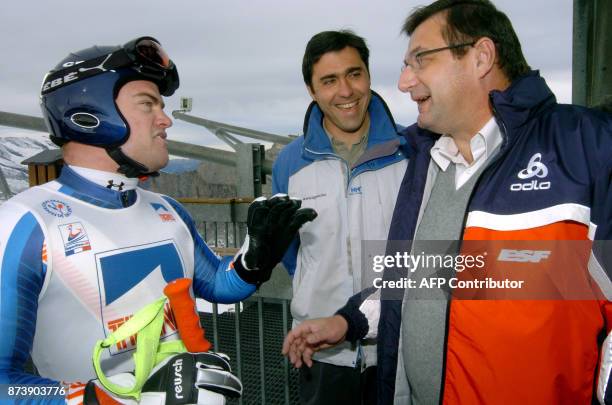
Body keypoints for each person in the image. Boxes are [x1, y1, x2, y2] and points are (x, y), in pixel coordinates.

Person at [283, 1, 612, 404]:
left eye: (420, 60)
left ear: (481, 57)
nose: (404, 82)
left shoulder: (586, 148)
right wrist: (346, 321)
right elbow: (419, 279)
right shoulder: (429, 164)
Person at [0, 36, 315, 404]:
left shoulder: (167, 209)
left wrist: (254, 261)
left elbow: (217, 285)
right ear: (89, 115)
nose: (165, 119)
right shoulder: (24, 223)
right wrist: (99, 399)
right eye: (148, 104)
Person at [272, 30, 410, 405]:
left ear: (368, 75)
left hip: (399, 346)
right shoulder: (290, 163)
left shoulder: (411, 152)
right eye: (329, 81)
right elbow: (292, 253)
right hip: (320, 349)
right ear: (312, 90)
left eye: (354, 74)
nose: (346, 91)